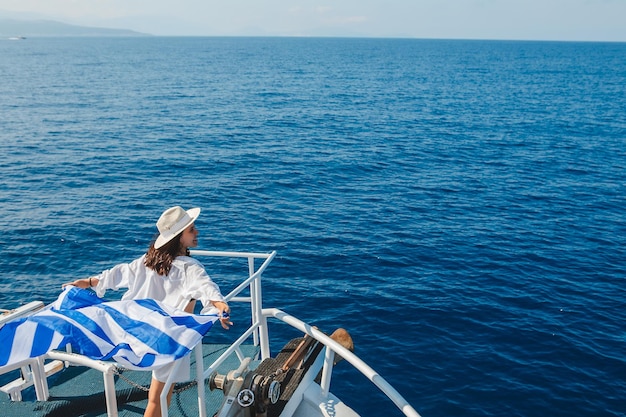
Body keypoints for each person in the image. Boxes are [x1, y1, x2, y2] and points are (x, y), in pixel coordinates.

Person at [63, 206, 232, 417]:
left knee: (158, 396)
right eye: (191, 229)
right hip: (169, 338)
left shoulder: (147, 261)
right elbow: (206, 286)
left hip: (139, 333)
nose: (196, 232)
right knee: (160, 397)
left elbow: (119, 273)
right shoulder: (190, 267)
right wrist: (219, 304)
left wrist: (88, 282)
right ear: (179, 237)